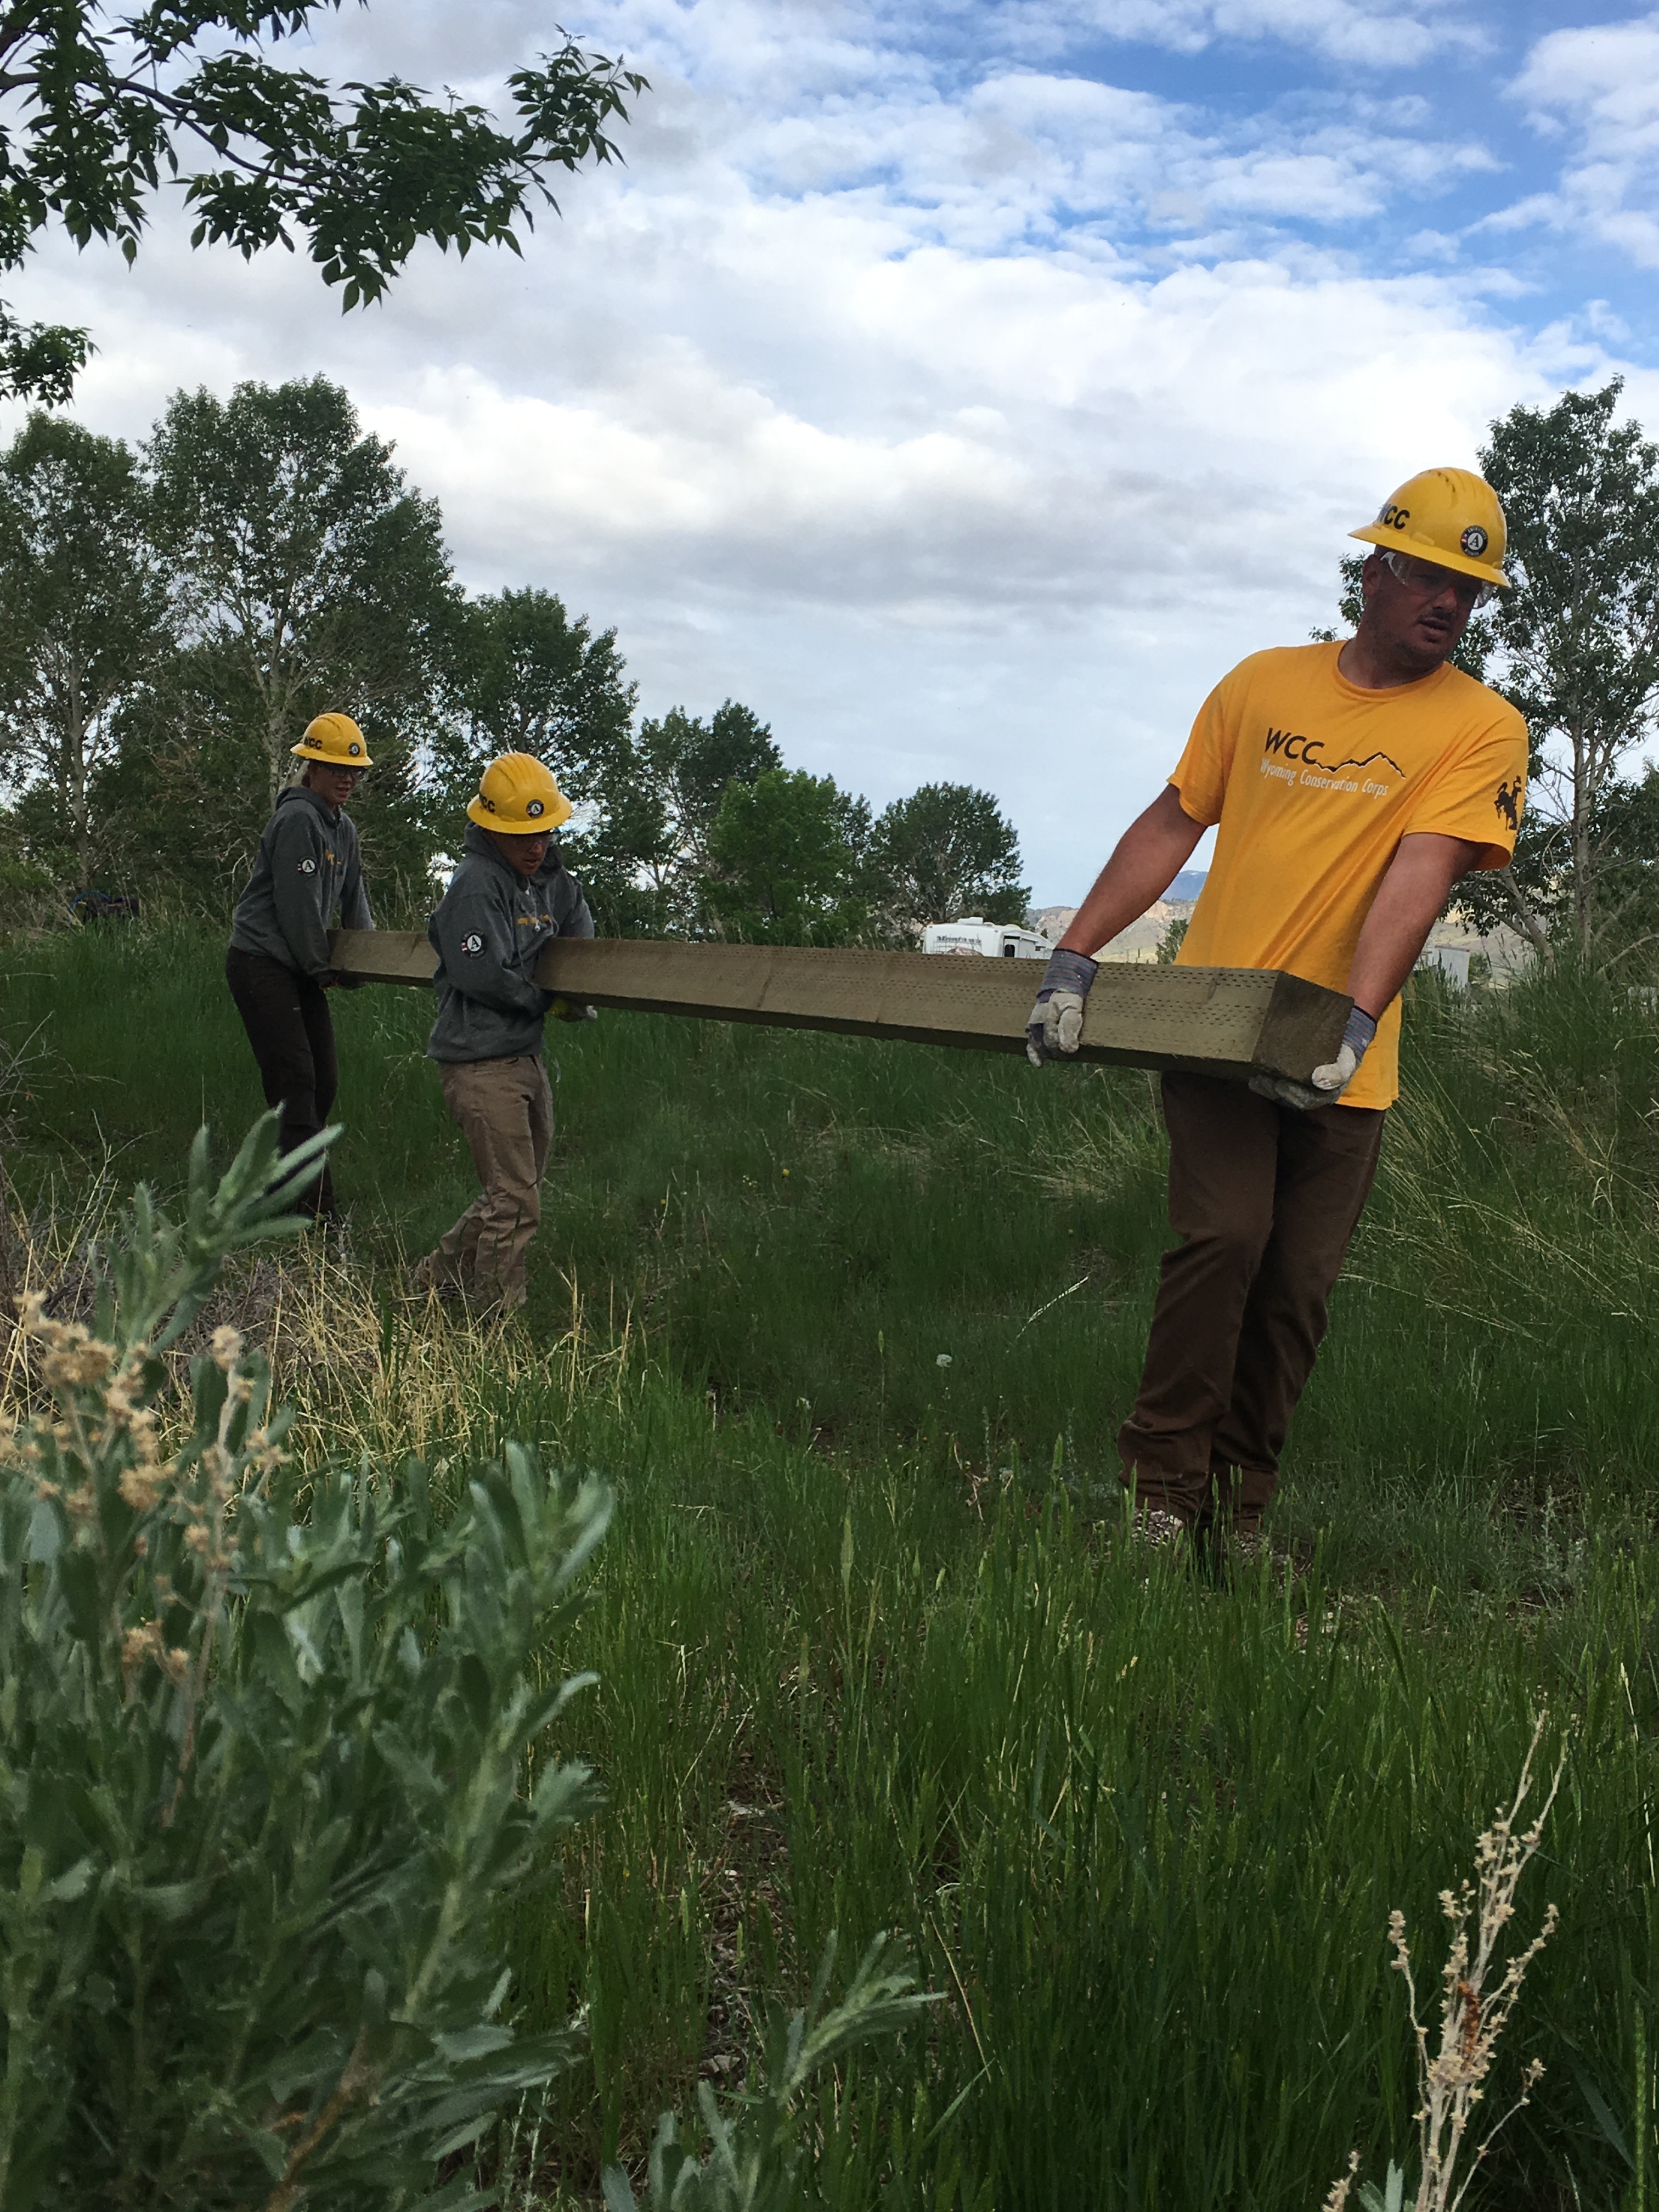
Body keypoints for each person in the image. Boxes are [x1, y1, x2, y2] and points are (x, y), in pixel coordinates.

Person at [1027, 468, 1529, 1560]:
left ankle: (1238, 1513)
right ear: (1373, 572)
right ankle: (1161, 1497)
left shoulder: (1483, 727)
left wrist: (1352, 1021)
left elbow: (1421, 872)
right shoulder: (1261, 684)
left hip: (1346, 1054)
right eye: (1427, 577)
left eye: (1467, 590)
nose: (1448, 602)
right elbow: (1174, 821)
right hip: (1214, 1024)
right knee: (1224, 1240)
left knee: (1297, 1286)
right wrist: (1073, 955)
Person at [413, 752, 596, 1316]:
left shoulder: (546, 882)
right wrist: (543, 1000)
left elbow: (580, 936)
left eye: (544, 834)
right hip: (480, 1062)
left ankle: (433, 1282)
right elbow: (481, 974)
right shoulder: (476, 884)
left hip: (523, 1056)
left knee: (516, 1189)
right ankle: (495, 1319)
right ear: (492, 828)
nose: (535, 847)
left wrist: (559, 883)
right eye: (522, 836)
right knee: (515, 1201)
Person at [225, 712, 375, 1222]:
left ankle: (268, 1190)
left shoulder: (343, 828)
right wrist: (322, 967)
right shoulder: (296, 821)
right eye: (336, 769)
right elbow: (298, 909)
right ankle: (318, 1216)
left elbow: (355, 900)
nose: (347, 779)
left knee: (323, 1081)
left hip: (302, 967)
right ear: (311, 768)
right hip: (261, 962)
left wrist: (365, 961)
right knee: (296, 1083)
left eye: (354, 771)